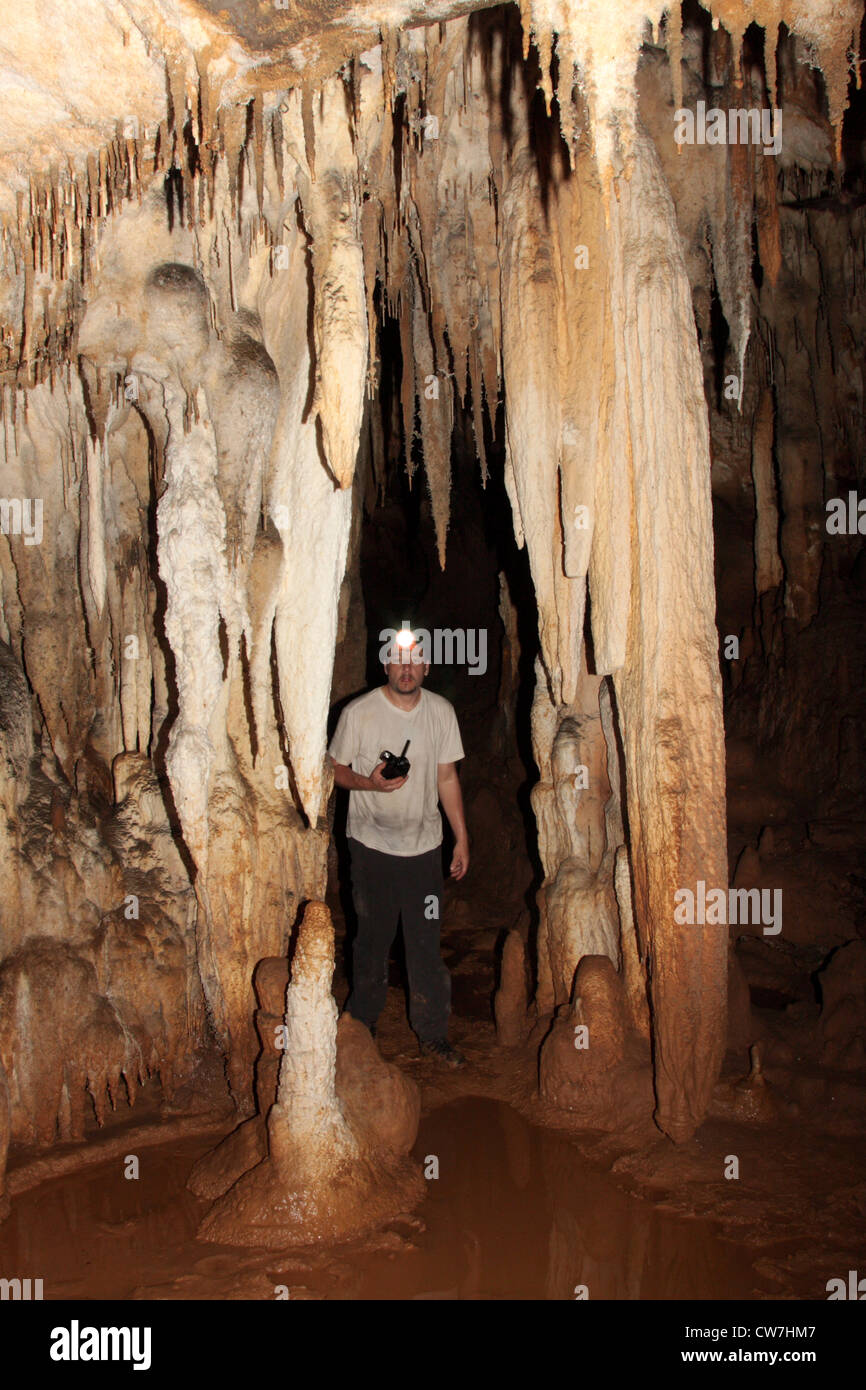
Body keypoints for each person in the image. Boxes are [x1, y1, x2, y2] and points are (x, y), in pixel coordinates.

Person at [327, 629, 469, 1067]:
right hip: (371, 850)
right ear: (385, 665)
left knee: (425, 943)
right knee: (371, 939)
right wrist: (367, 782)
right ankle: (363, 1025)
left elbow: (446, 778)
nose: (406, 669)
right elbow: (334, 769)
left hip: (424, 853)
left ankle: (432, 1033)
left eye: (415, 661)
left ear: (426, 667)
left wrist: (462, 836)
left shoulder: (441, 713)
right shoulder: (360, 714)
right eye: (398, 660)